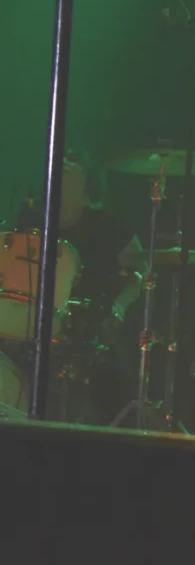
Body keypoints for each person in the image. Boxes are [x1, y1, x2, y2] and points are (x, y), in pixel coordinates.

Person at [13, 150, 145, 423]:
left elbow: (141, 270)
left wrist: (118, 307)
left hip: (92, 328)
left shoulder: (108, 224)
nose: (60, 174)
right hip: (32, 324)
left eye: (69, 172)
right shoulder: (29, 221)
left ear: (87, 188)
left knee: (116, 384)